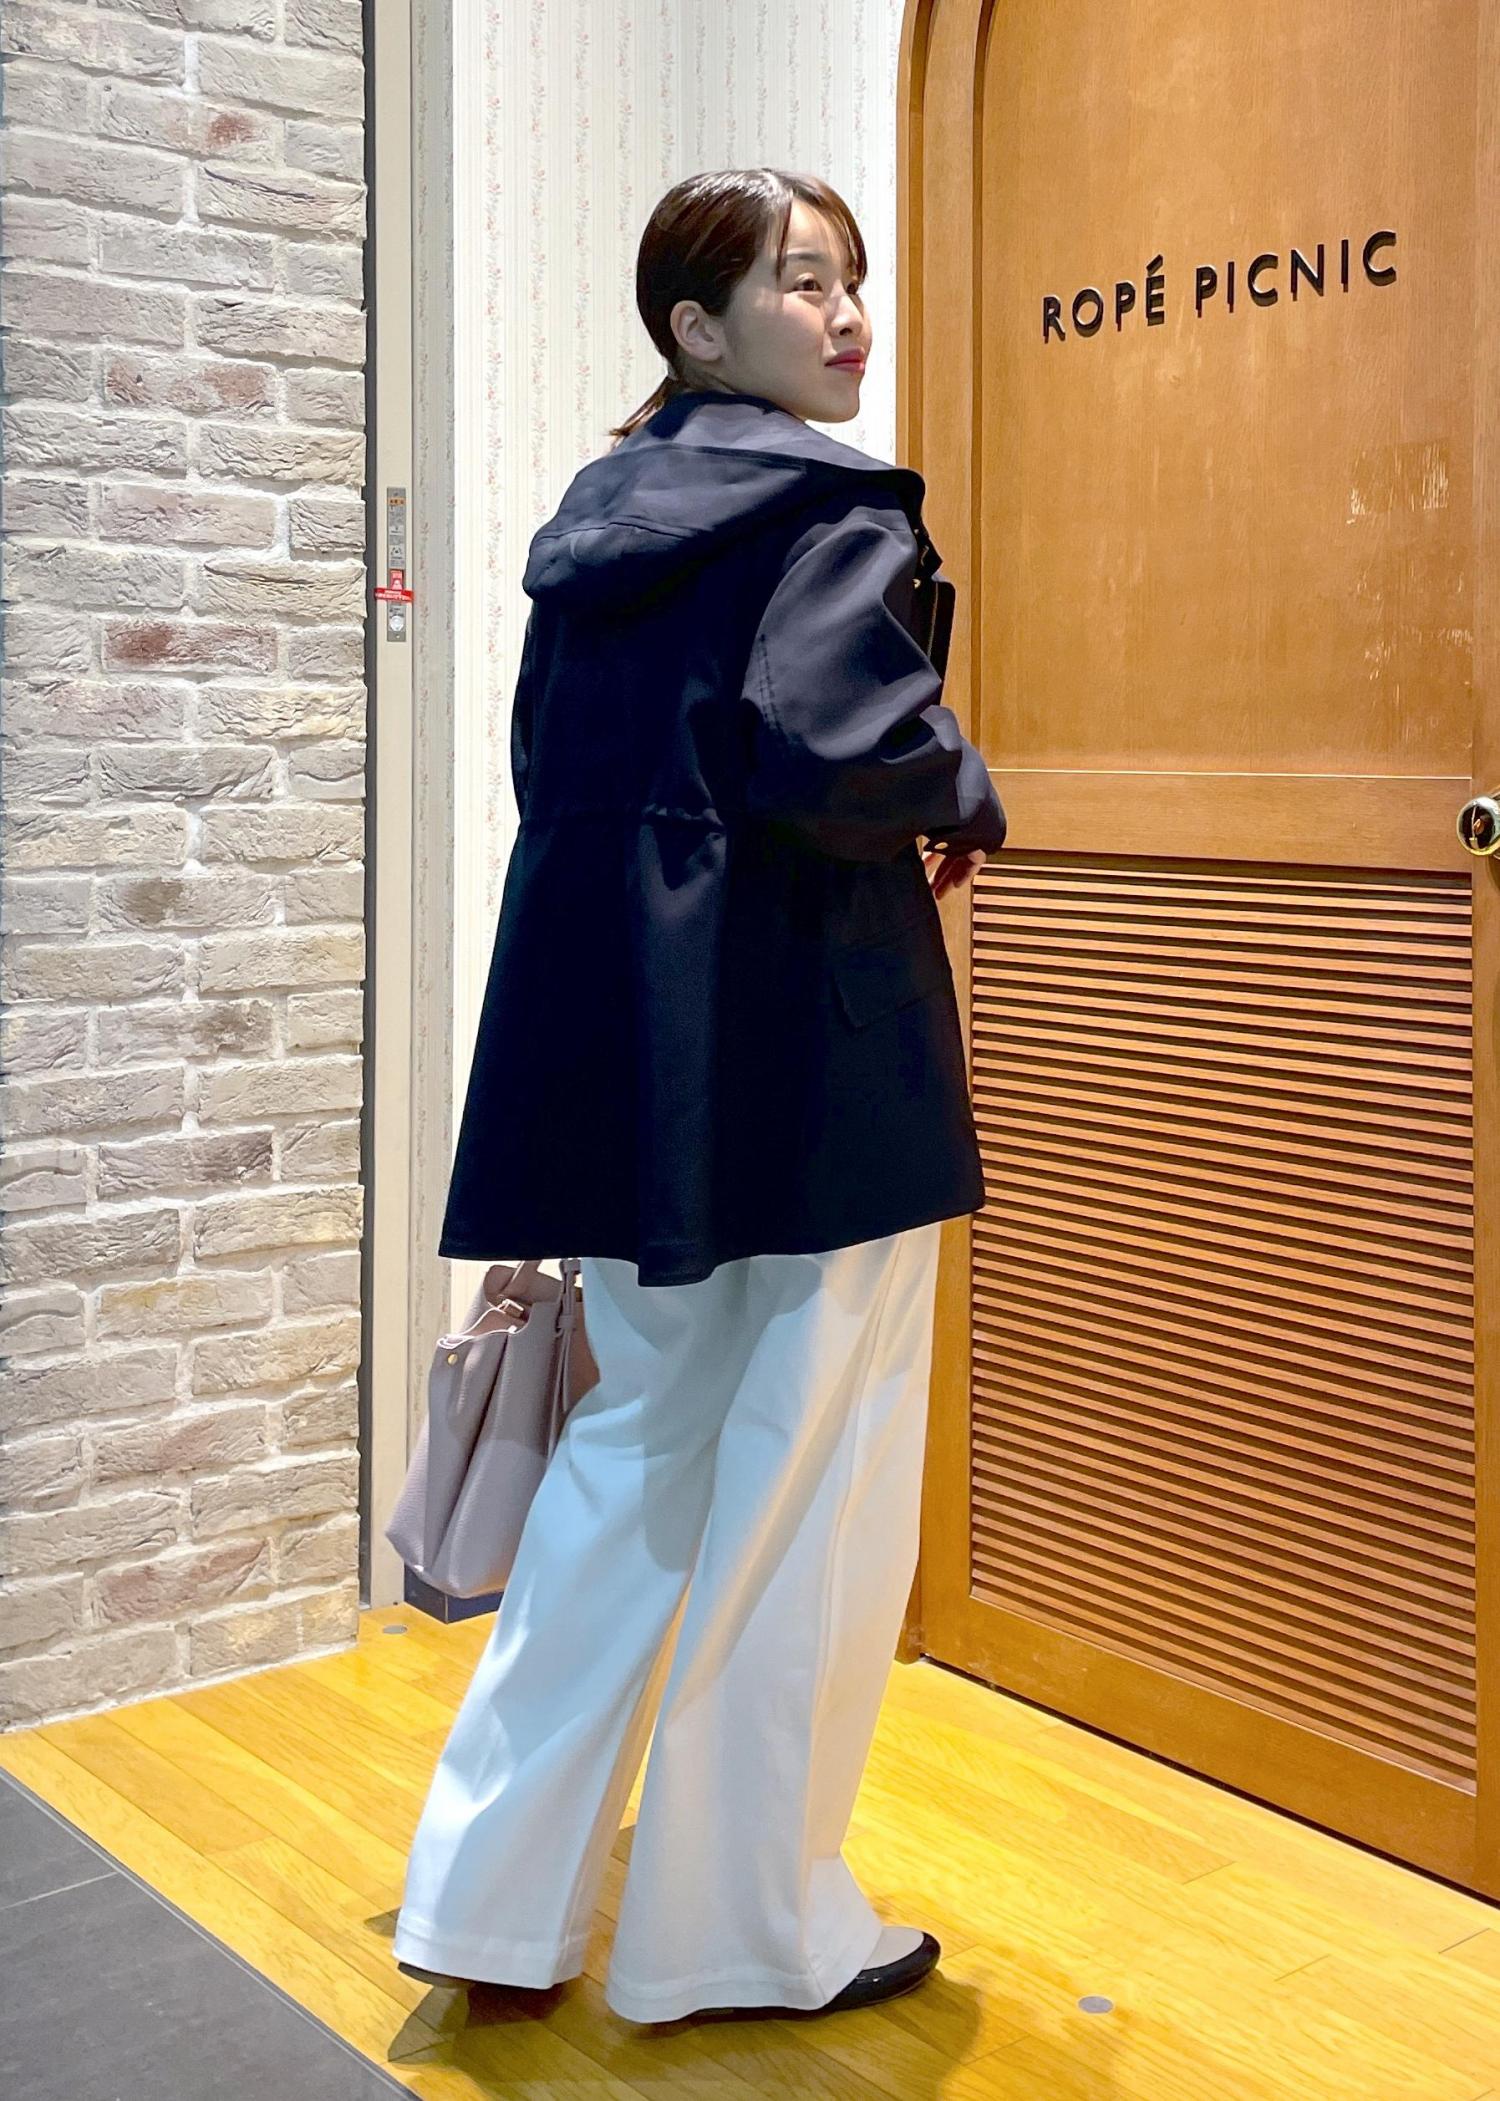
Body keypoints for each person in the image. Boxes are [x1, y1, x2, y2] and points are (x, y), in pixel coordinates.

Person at [391, 166, 1007, 2027]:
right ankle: (741, 1932)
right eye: (802, 282)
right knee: (810, 1478)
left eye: (853, 279)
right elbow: (837, 740)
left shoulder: (595, 525)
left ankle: (490, 1900)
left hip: (637, 1062)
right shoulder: (830, 508)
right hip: (818, 1059)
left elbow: (548, 774)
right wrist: (962, 785)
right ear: (695, 324)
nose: (847, 315)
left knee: (633, 1450)